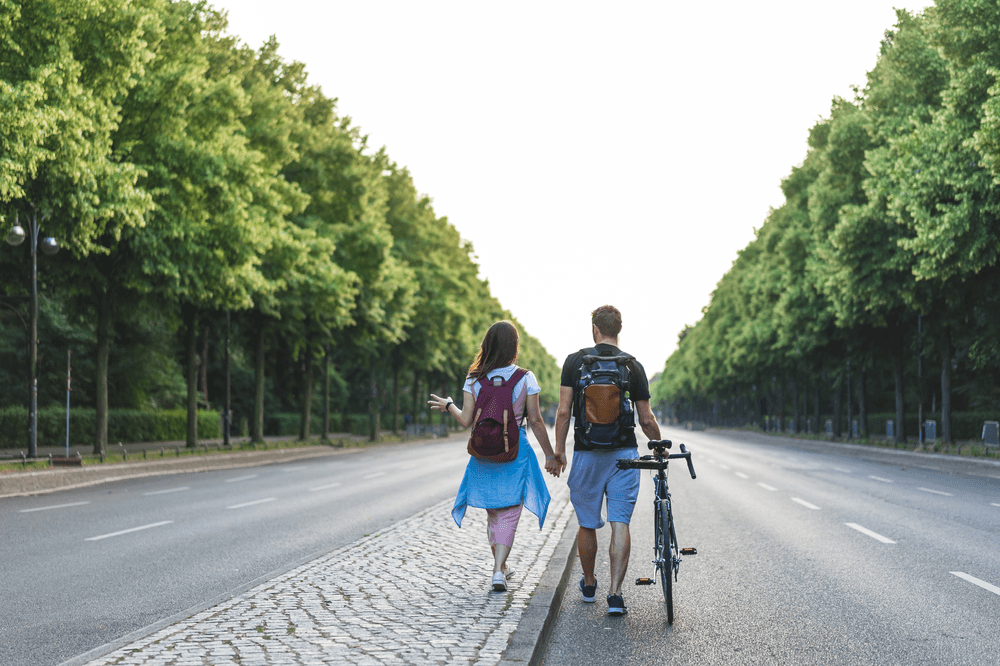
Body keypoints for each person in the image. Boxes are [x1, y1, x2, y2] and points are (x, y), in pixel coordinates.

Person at [428, 320, 563, 592]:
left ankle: (500, 567)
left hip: (483, 452)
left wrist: (449, 405)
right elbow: (535, 421)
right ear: (514, 347)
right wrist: (551, 454)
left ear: (487, 345)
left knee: (494, 511)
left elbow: (466, 420)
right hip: (515, 450)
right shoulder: (526, 378)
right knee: (510, 510)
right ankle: (498, 570)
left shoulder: (474, 378)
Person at [553, 305, 661, 615]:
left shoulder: (575, 362)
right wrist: (658, 445)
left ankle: (589, 584)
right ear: (619, 329)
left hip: (586, 453)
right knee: (620, 523)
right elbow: (646, 418)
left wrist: (559, 451)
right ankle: (615, 595)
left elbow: (563, 411)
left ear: (595, 329)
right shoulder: (632, 366)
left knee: (587, 524)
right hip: (623, 456)